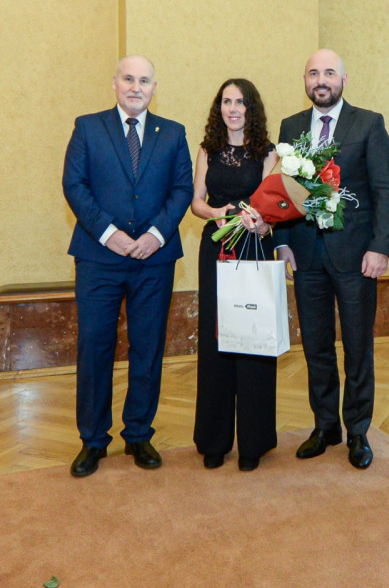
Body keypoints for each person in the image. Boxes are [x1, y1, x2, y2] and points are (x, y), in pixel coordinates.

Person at [62, 55, 193, 478]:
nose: (136, 87)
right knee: (95, 346)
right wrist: (108, 234)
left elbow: (182, 189)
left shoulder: (173, 134)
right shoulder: (87, 127)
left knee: (148, 347)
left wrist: (155, 235)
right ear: (114, 83)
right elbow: (74, 185)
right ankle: (93, 440)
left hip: (154, 259)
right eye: (128, 79)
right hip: (99, 258)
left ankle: (138, 433)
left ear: (156, 87)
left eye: (145, 81)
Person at [274, 49, 389, 469]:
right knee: (316, 346)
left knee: (357, 347)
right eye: (313, 73)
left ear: (345, 78)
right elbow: (283, 189)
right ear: (305, 80)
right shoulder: (291, 126)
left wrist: (381, 247)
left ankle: (358, 431)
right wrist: (282, 242)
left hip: (356, 256)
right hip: (306, 257)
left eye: (329, 73)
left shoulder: (369, 123)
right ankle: (325, 426)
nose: (320, 80)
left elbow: (385, 190)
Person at [190, 79, 280, 471]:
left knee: (253, 340)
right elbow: (196, 203)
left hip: (253, 248)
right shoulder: (207, 149)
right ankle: (214, 440)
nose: (233, 108)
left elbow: (276, 206)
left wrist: (264, 224)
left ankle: (253, 444)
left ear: (252, 108)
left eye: (240, 102)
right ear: (219, 108)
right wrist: (218, 213)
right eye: (226, 101)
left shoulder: (269, 152)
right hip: (215, 248)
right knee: (216, 340)